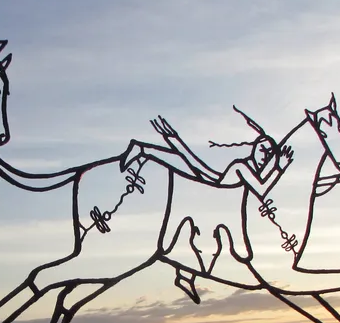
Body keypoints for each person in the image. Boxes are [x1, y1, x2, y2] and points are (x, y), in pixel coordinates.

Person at [120, 107, 294, 302]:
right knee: (204, 243)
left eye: (269, 153)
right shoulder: (242, 166)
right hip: (212, 199)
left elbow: (259, 183)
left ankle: (185, 277)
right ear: (254, 150)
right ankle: (144, 149)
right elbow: (260, 189)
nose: (265, 155)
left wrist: (277, 166)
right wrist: (280, 167)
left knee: (189, 164)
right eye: (262, 149)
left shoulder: (249, 171)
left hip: (216, 201)